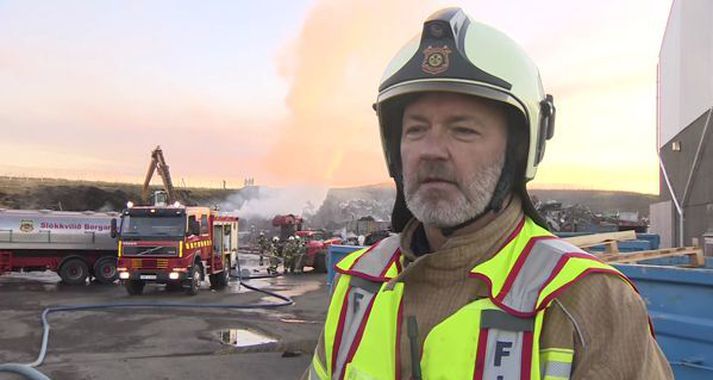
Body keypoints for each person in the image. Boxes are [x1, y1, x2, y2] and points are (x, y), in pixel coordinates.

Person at [304, 7, 672, 380]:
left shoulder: (589, 303)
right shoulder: (358, 283)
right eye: (415, 130)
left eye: (462, 130)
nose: (431, 150)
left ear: (517, 151)